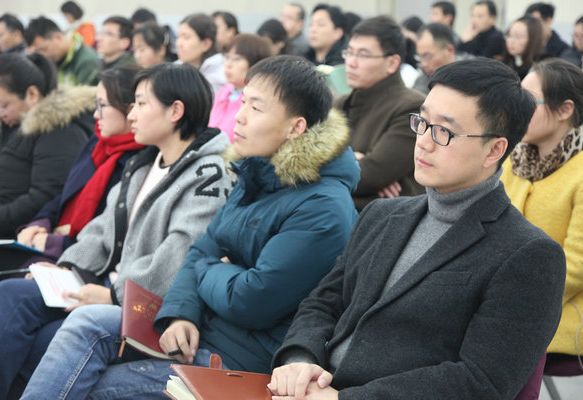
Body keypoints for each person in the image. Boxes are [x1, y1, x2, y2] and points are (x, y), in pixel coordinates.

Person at [22, 55, 360, 399]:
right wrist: (181, 312)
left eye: (256, 108)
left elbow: (250, 300)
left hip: (238, 360)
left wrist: (208, 267)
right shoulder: (257, 172)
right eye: (242, 101)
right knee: (86, 323)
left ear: (296, 127)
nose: (239, 116)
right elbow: (202, 248)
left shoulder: (322, 207)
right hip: (199, 330)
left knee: (95, 387)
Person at [269, 57, 566, 400]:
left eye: (444, 132)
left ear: (494, 150)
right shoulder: (382, 214)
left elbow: (480, 381)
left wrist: (344, 399)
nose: (424, 141)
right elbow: (323, 302)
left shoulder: (527, 253)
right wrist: (301, 358)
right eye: (422, 122)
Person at [0, 63, 233, 399]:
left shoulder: (207, 174)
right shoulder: (145, 163)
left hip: (143, 302)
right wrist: (67, 268)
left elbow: (180, 253)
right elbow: (101, 229)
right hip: (104, 284)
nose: (131, 114)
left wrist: (114, 295)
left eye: (141, 103)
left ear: (175, 111)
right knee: (10, 294)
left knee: (41, 341)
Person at [0, 66, 144, 272]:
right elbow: (66, 193)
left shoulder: (139, 161)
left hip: (79, 256)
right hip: (53, 240)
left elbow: (108, 236)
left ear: (130, 109)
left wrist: (54, 242)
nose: (96, 114)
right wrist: (40, 222)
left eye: (102, 106)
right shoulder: (98, 144)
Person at [501, 59, 583, 362]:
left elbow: (578, 266)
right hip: (502, 294)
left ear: (565, 110)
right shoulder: (515, 158)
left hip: (556, 309)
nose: (517, 109)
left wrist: (509, 299)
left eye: (528, 101)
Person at [0, 53, 91, 241]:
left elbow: (44, 197)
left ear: (32, 94)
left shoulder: (60, 132)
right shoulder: (11, 124)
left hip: (19, 237)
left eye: (1, 104)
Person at [337, 16, 425, 211]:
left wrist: (330, 163)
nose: (350, 62)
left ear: (392, 63)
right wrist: (353, 160)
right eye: (349, 53)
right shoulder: (339, 104)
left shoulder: (411, 107)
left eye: (363, 55)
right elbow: (304, 160)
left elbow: (369, 176)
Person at [208, 33, 272, 142]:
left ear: (255, 64)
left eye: (237, 59)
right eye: (227, 57)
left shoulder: (258, 100)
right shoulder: (225, 91)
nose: (228, 64)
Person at [25, 16, 100, 86]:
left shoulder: (87, 60)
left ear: (58, 37)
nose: (44, 55)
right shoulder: (55, 59)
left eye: (44, 49)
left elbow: (85, 94)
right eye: (38, 52)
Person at [177, 13, 227, 94]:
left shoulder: (222, 75)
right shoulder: (175, 68)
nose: (179, 44)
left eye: (186, 37)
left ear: (206, 44)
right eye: (178, 37)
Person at [413, 23, 456, 94]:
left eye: (427, 56)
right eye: (420, 57)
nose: (423, 64)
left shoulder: (469, 80)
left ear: (449, 50)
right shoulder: (421, 84)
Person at [501, 16, 543, 80]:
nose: (511, 41)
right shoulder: (505, 62)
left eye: (518, 36)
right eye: (509, 35)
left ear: (533, 39)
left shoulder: (539, 68)